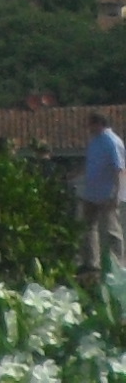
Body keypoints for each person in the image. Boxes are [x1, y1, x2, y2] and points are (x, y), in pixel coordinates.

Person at [82, 105, 124, 283]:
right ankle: (92, 262)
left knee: (110, 229)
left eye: (90, 124)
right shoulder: (94, 141)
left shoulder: (111, 141)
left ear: (99, 123)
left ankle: (117, 264)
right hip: (92, 192)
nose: (88, 128)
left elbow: (118, 168)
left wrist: (116, 193)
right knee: (88, 227)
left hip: (108, 192)